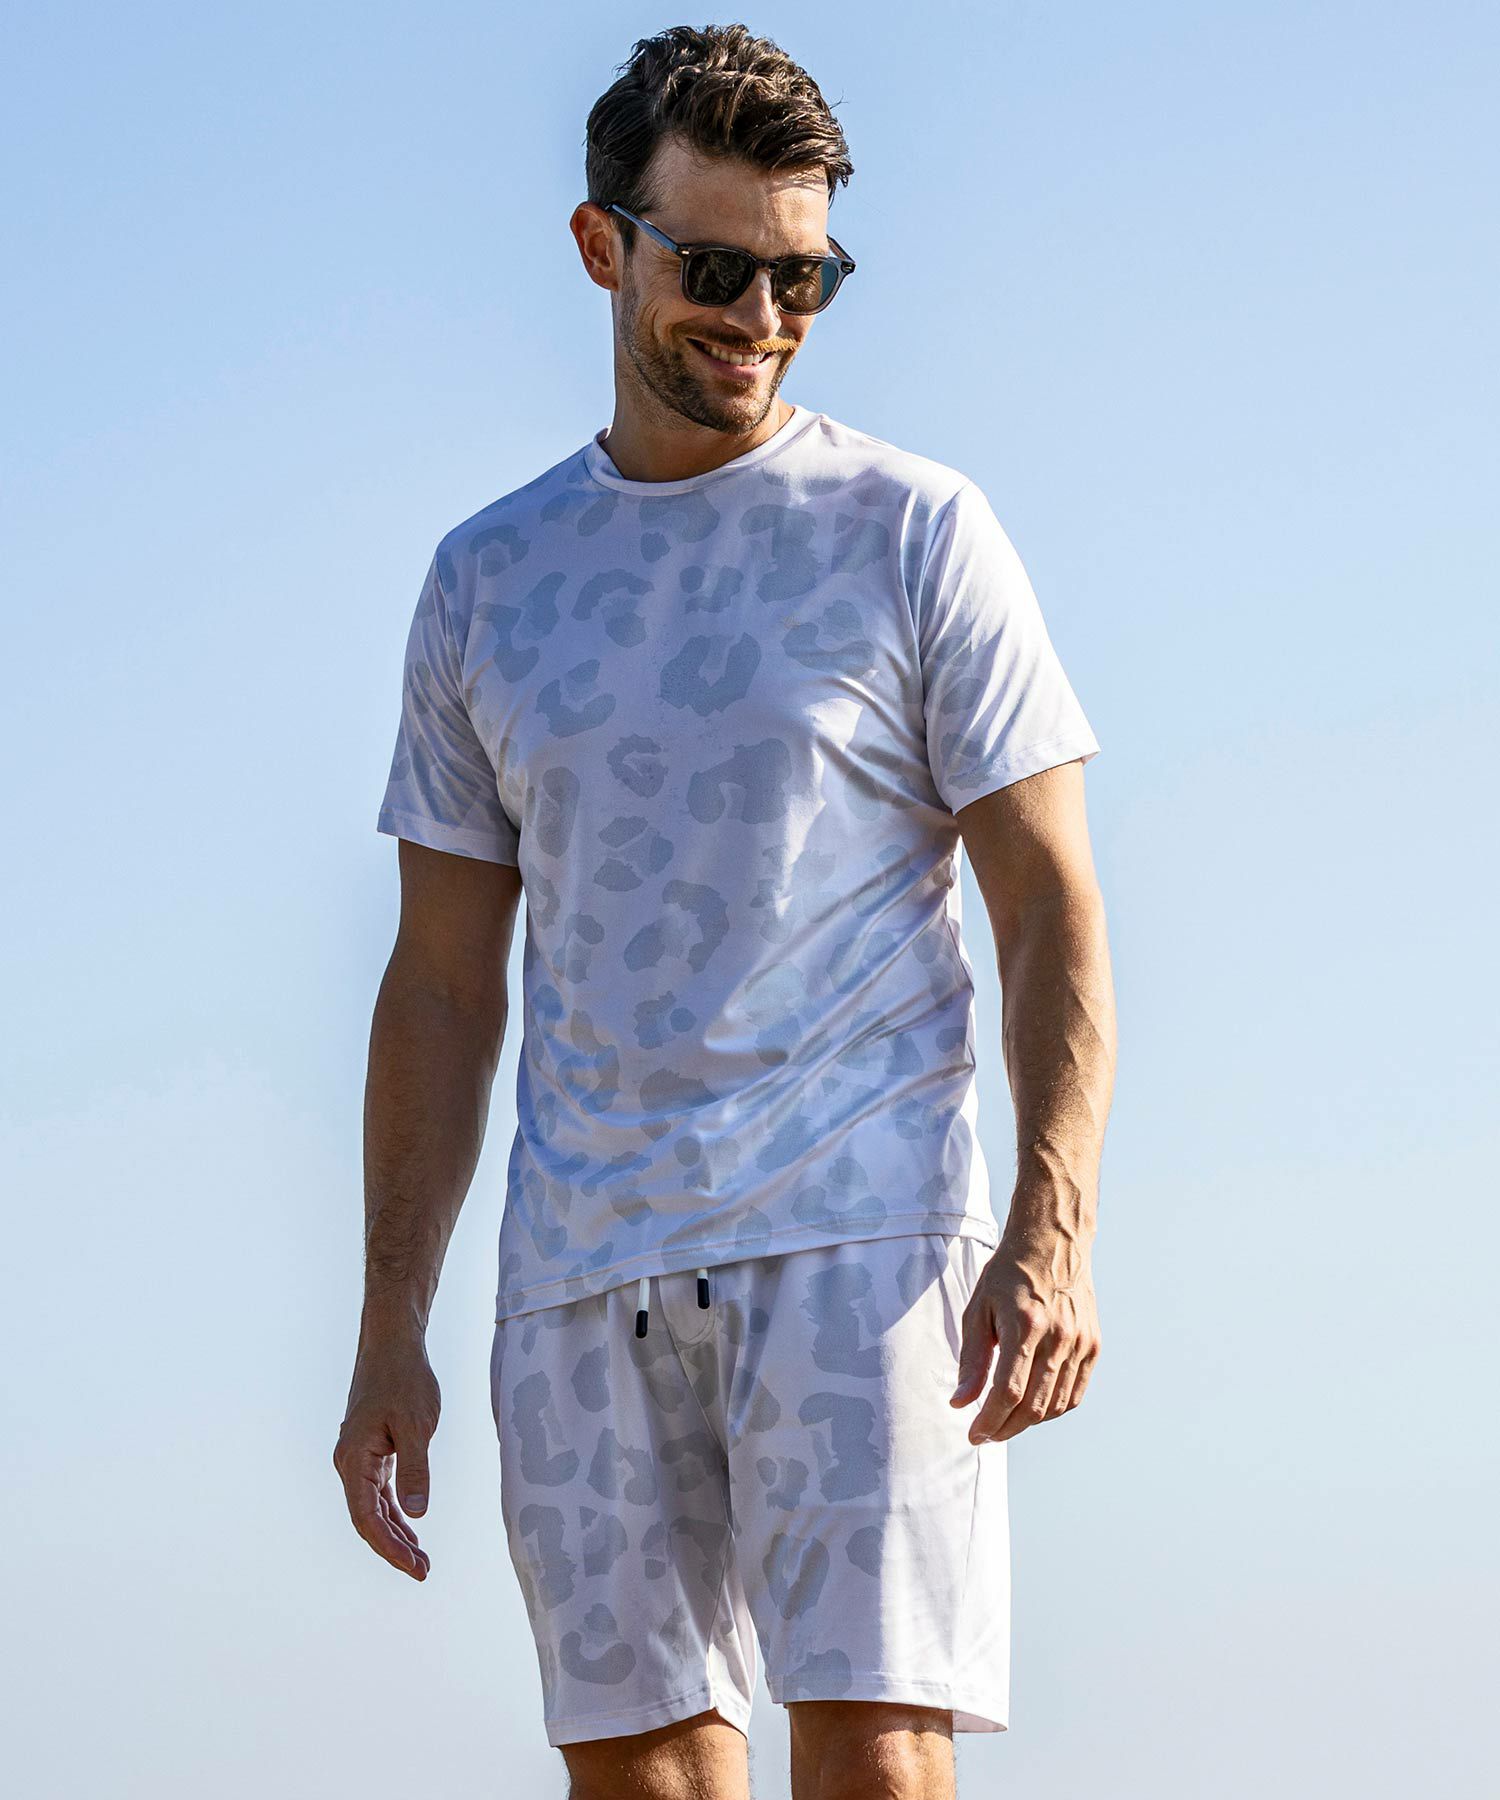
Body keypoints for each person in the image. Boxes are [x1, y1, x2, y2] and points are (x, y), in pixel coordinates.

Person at [334, 22, 1117, 1800]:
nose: (761, 316)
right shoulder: (487, 579)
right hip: (582, 1261)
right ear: (602, 246)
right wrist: (389, 1322)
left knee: (876, 1758)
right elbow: (441, 985)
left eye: (803, 278)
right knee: (640, 1775)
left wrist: (1053, 1228)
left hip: (867, 1237)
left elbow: (1050, 903)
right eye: (716, 270)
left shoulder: (915, 529)